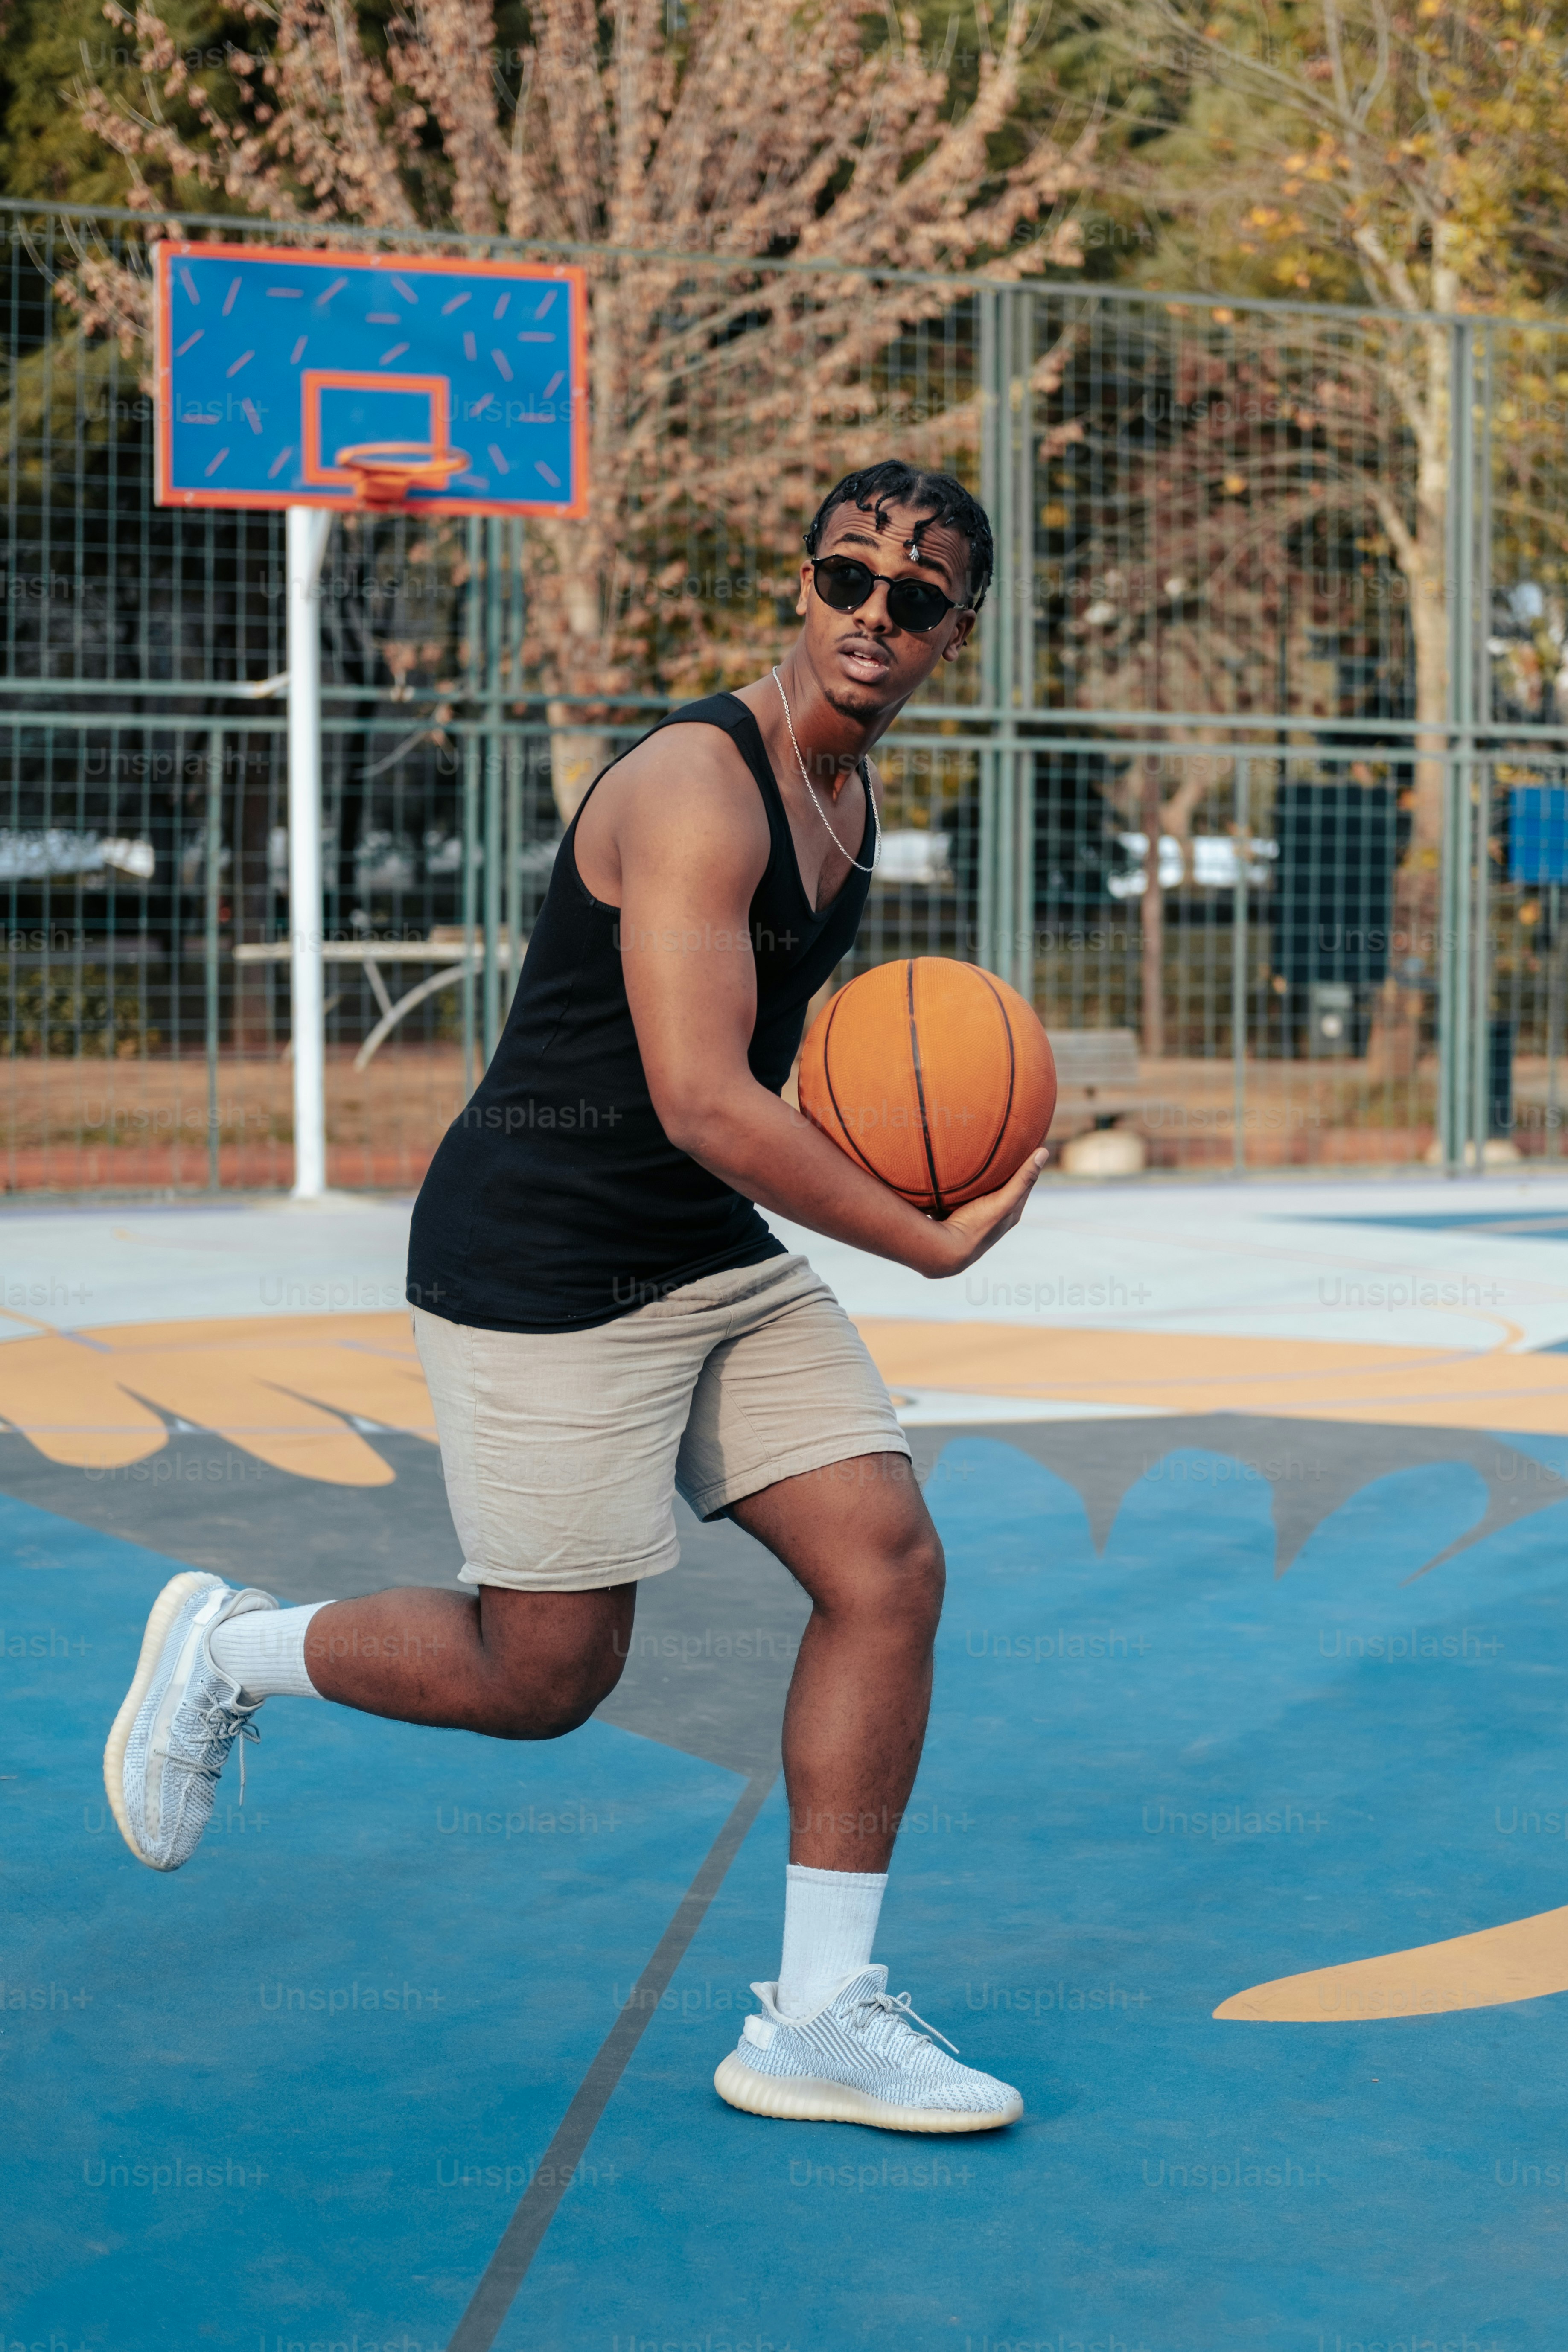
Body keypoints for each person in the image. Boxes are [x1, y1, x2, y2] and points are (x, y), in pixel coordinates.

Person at [105, 461, 1047, 2135]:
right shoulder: (702, 785)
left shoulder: (853, 801)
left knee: (887, 1563)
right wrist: (922, 1232)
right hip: (542, 1264)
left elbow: (748, 1098)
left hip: (702, 1254)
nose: (872, 620)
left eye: (915, 601)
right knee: (546, 1678)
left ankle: (818, 2016)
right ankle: (233, 1647)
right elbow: (699, 1092)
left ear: (956, 632)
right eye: (848, 579)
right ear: (803, 581)